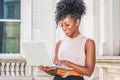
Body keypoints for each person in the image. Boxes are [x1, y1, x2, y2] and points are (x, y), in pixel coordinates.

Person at [38, 0, 96, 80]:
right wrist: (46, 70)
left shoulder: (88, 43)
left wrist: (67, 63)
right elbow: (56, 71)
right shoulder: (59, 43)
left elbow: (89, 72)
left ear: (77, 22)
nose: (64, 28)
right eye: (61, 25)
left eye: (67, 24)